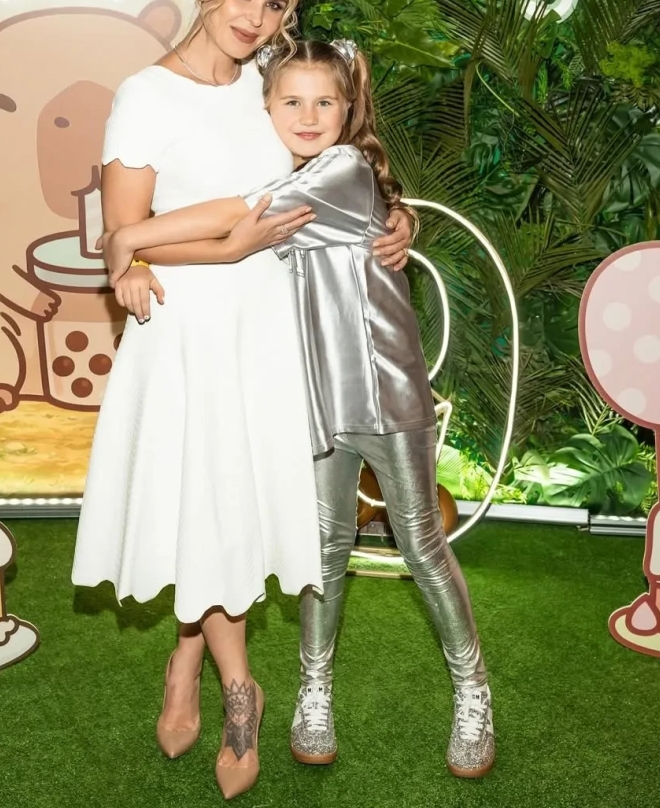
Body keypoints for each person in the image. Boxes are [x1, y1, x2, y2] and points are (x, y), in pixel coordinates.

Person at [72, 0, 412, 801]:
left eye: (275, 5)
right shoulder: (145, 95)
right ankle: (239, 688)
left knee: (227, 513)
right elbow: (121, 239)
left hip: (266, 328)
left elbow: (337, 156)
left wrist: (397, 217)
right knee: (208, 506)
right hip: (186, 331)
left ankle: (186, 661)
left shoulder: (271, 82)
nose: (255, 18)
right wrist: (207, 251)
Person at [99, 38, 495, 780]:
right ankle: (314, 692)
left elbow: (237, 216)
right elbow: (241, 227)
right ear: (267, 106)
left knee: (419, 542)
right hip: (312, 395)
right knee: (325, 550)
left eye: (324, 102)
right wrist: (137, 246)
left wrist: (131, 236)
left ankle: (473, 690)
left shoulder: (338, 170)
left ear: (349, 110)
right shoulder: (289, 169)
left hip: (385, 391)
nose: (308, 116)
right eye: (291, 101)